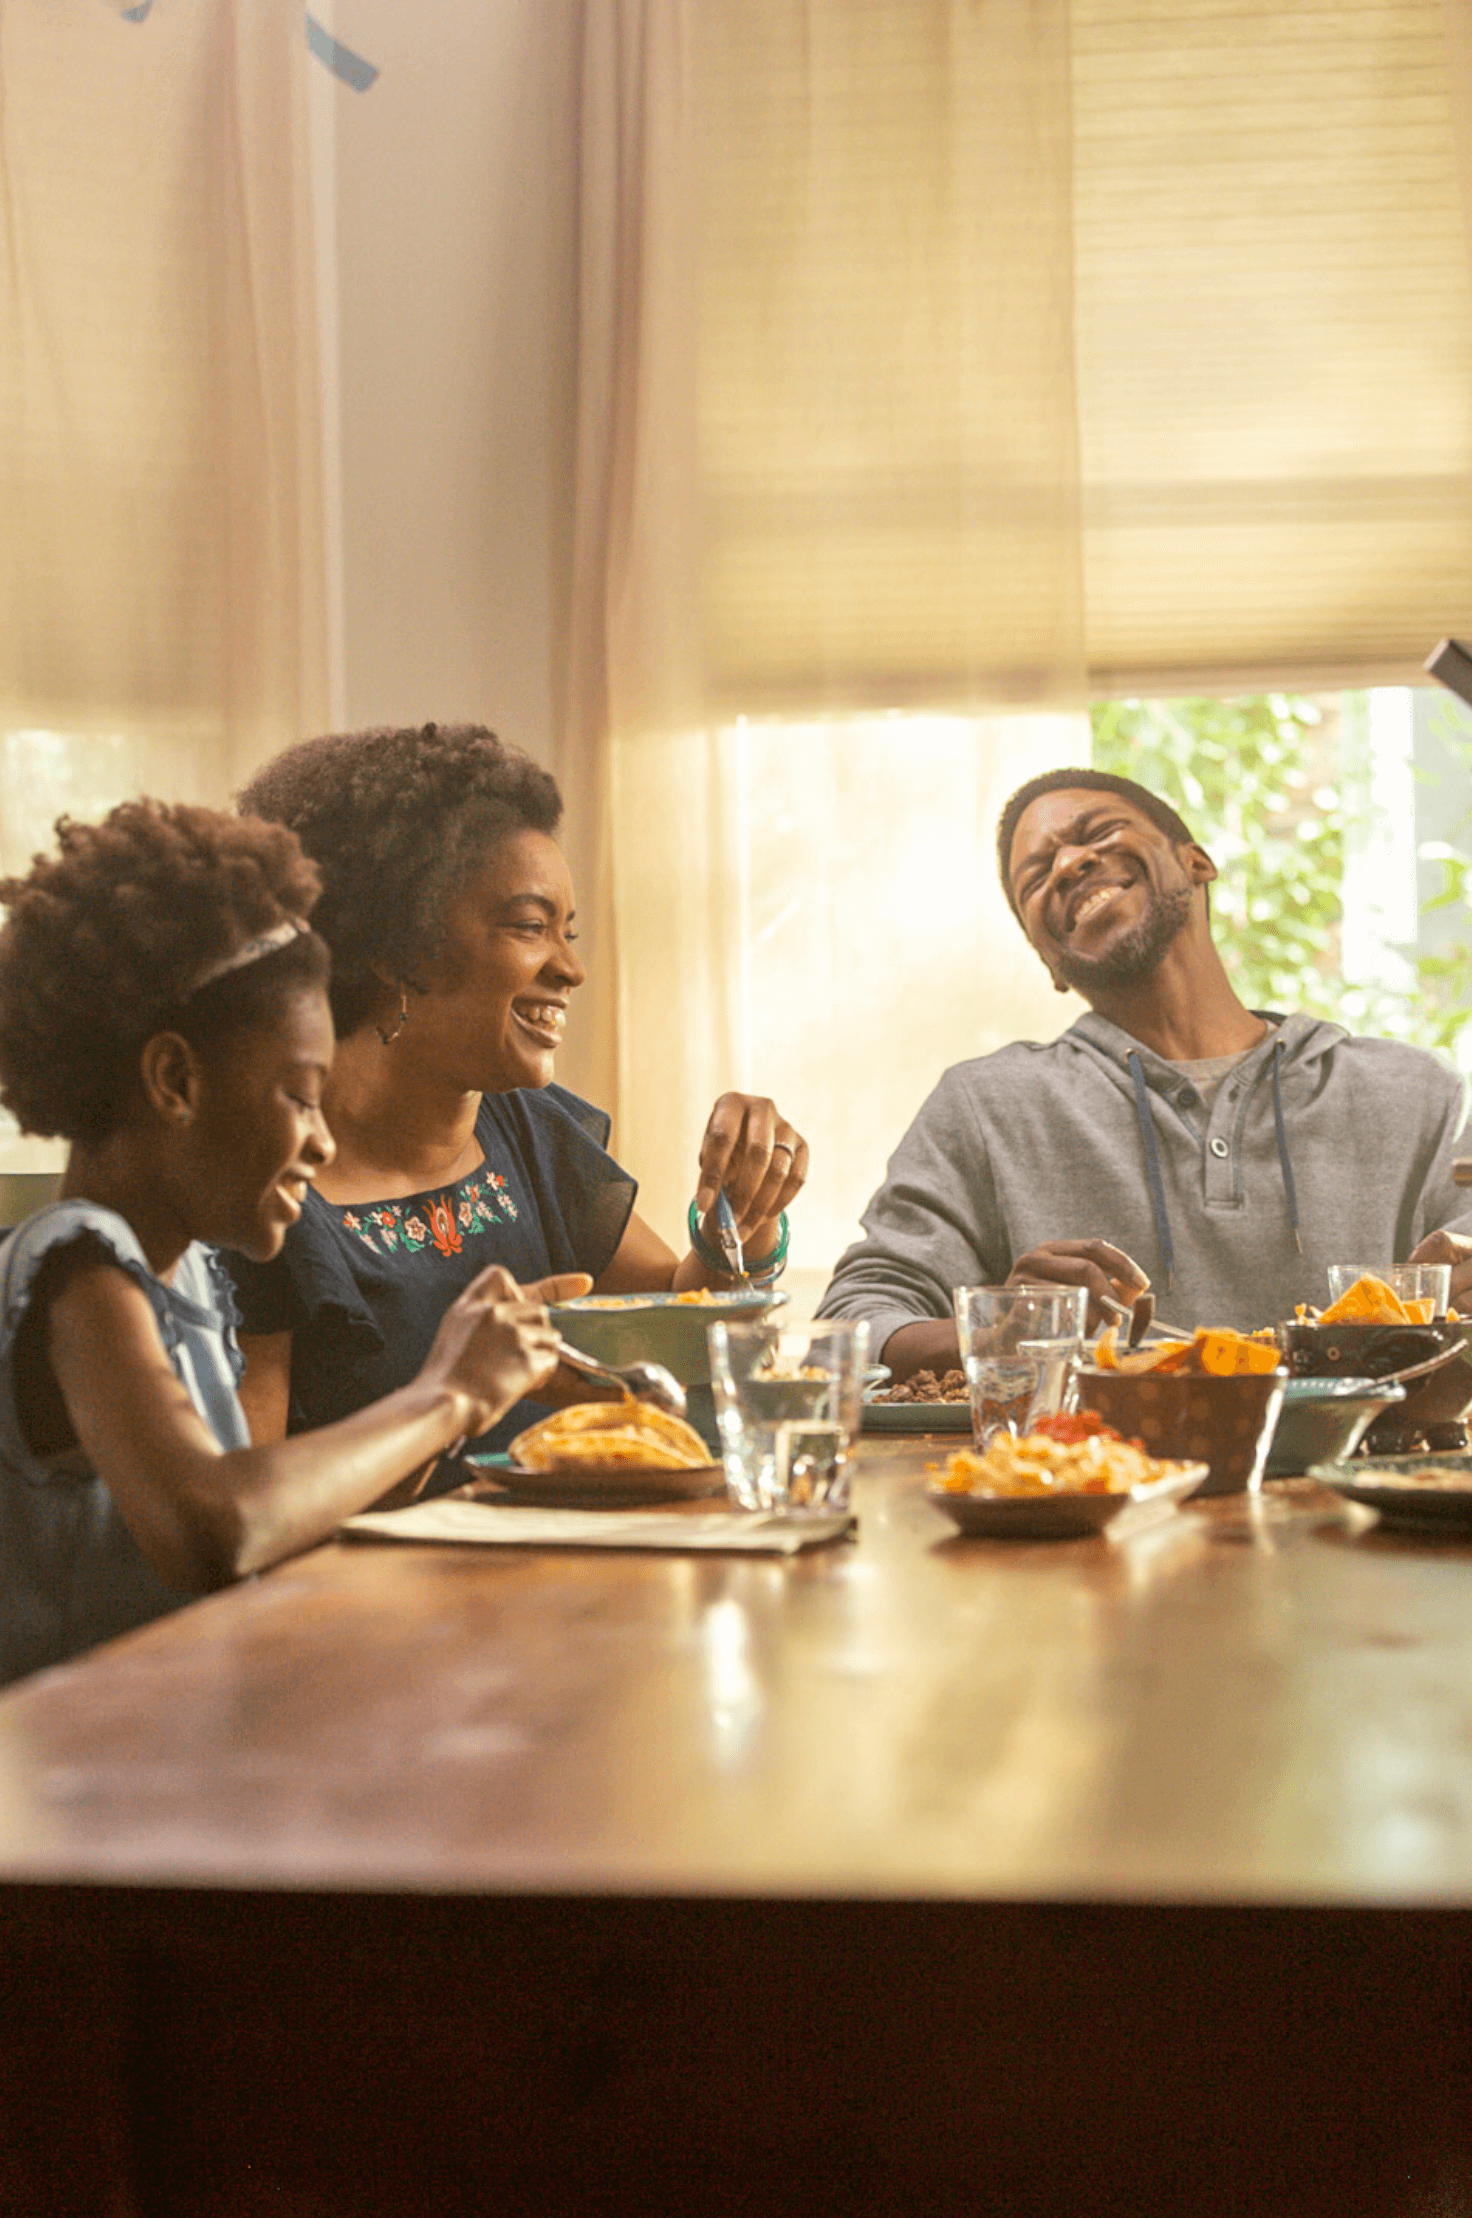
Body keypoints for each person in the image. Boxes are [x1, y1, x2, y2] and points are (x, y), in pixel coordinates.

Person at [0, 800, 572, 1685]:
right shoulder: (78, 1268)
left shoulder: (184, 1273)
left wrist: (475, 1409)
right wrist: (444, 1395)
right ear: (175, 1079)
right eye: (301, 1097)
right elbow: (214, 1529)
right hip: (84, 1798)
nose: (322, 1140)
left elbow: (279, 1525)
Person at [225, 724, 808, 1455]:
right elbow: (247, 1517)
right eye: (531, 927)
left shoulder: (531, 1131)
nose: (571, 969)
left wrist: (742, 1205)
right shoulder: (261, 1194)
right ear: (399, 948)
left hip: (569, 1562)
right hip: (370, 1572)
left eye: (570, 932)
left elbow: (682, 1327)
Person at [817, 766, 1472, 1374]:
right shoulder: (985, 1106)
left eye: (1098, 833)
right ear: (1048, 961)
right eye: (1036, 878)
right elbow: (847, 1328)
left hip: (1375, 1492)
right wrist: (1003, 1333)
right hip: (1093, 1489)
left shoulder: (1417, 1095)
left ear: (1197, 862)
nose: (1072, 863)